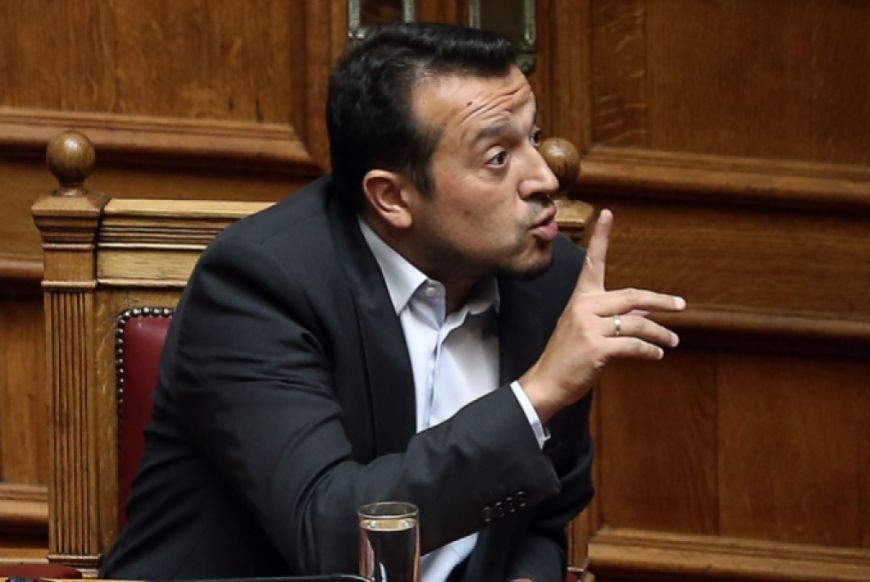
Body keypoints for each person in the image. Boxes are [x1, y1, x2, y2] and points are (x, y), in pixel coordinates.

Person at [101, 23, 684, 582]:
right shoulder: (258, 285)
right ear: (392, 198)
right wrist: (538, 394)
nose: (545, 178)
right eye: (498, 157)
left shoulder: (551, 281)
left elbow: (543, 512)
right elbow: (331, 532)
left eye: (532, 138)